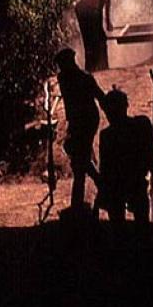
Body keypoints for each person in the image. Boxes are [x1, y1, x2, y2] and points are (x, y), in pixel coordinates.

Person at [96, 88, 153, 231]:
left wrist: (102, 194)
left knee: (122, 229)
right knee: (138, 227)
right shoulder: (140, 125)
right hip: (131, 185)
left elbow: (106, 169)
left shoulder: (108, 135)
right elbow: (152, 157)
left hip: (123, 187)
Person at [54, 48, 105, 215]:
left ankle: (81, 202)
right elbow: (100, 97)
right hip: (80, 121)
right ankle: (98, 186)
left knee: (79, 162)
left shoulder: (79, 78)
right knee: (79, 160)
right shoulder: (77, 78)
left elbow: (100, 97)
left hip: (87, 121)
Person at [75, 0, 128, 72]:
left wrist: (108, 22)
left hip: (90, 10)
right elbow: (99, 8)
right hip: (85, 10)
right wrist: (101, 28)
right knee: (92, 42)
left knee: (100, 40)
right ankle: (91, 71)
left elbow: (107, 3)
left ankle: (103, 68)